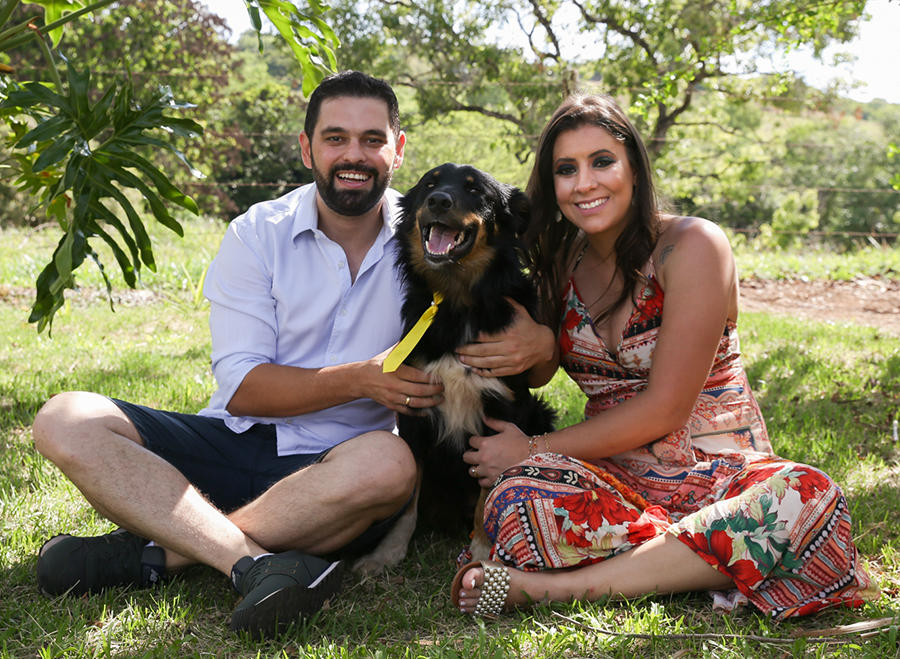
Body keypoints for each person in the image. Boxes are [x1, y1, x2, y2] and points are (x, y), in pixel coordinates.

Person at [31, 71, 443, 638]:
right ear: (307, 148)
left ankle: (157, 554)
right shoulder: (257, 233)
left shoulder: (431, 243)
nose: (355, 155)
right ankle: (248, 561)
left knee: (392, 463)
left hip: (335, 476)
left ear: (398, 149)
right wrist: (361, 379)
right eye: (335, 138)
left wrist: (540, 340)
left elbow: (496, 305)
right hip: (231, 440)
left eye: (373, 139)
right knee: (65, 418)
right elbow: (244, 386)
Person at [449, 92, 880, 620]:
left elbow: (666, 409)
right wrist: (543, 343)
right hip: (611, 482)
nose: (585, 183)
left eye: (602, 161)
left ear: (633, 167)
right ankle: (700, 559)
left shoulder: (693, 245)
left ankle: (552, 589)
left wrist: (533, 446)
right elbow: (537, 372)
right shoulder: (560, 262)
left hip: (718, 473)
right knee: (516, 501)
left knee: (808, 498)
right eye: (566, 169)